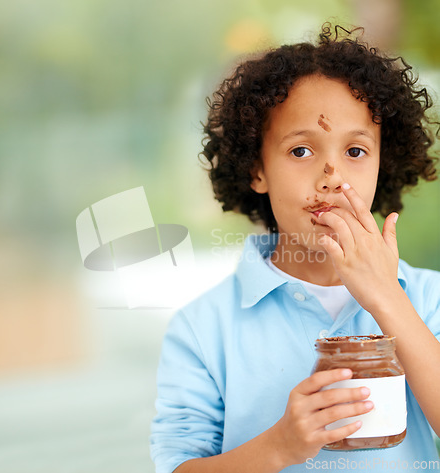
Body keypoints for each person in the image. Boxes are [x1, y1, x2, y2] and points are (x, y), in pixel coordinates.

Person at [150, 23, 440, 473]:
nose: (332, 176)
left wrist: (387, 296)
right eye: (301, 151)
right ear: (257, 169)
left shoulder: (428, 299)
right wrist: (281, 446)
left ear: (383, 163)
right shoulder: (203, 329)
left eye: (356, 152)